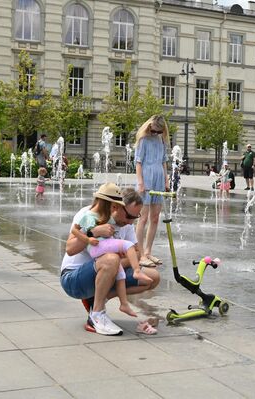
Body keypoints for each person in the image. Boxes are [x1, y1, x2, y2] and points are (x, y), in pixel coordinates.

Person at [61, 187, 160, 335]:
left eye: (135, 217)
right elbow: (69, 249)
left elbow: (137, 253)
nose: (130, 222)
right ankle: (96, 315)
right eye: (128, 216)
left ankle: (97, 302)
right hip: (74, 279)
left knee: (153, 277)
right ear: (116, 207)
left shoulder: (126, 224)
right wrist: (93, 232)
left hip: (104, 270)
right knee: (111, 259)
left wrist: (116, 265)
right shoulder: (88, 215)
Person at [135, 115, 169, 267]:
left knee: (155, 218)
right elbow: (138, 162)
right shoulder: (143, 140)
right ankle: (140, 253)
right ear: (149, 127)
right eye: (154, 131)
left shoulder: (161, 140)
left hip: (159, 179)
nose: (155, 133)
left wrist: (167, 180)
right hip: (147, 178)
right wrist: (140, 182)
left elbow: (164, 161)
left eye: (159, 131)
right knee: (143, 218)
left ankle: (148, 251)